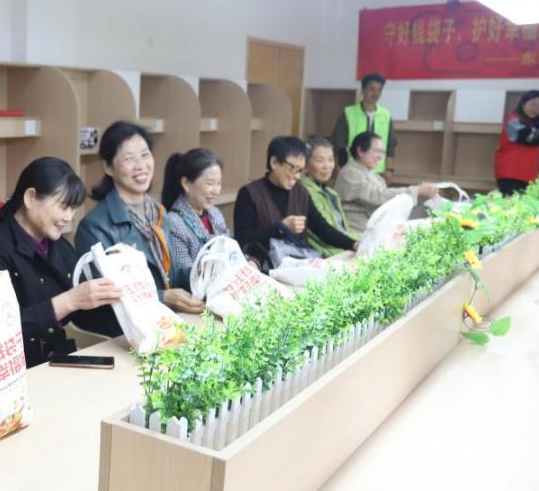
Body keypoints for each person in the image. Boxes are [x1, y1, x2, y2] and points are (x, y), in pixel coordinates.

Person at [0, 157, 123, 367]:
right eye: (63, 206)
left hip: (55, 361)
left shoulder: (59, 246)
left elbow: (84, 316)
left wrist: (115, 296)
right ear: (30, 198)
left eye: (73, 209)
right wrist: (69, 301)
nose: (69, 217)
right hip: (12, 369)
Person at [75, 122, 204, 336]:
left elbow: (171, 274)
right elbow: (107, 297)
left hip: (166, 324)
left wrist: (205, 272)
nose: (140, 165)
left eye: (145, 155)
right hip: (125, 335)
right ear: (108, 168)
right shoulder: (94, 226)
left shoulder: (158, 212)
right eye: (128, 158)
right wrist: (163, 297)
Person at [233, 136, 359, 269]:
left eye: (301, 171)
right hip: (261, 268)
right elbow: (244, 240)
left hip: (297, 267)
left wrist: (353, 244)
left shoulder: (301, 192)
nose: (298, 176)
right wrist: (280, 228)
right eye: (294, 169)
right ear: (274, 162)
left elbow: (322, 228)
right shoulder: (249, 193)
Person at [335, 132, 439, 231]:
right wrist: (416, 190)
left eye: (382, 152)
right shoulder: (350, 173)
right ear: (360, 151)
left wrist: (421, 194)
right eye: (376, 151)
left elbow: (388, 200)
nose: (380, 156)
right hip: (357, 231)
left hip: (375, 228)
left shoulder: (376, 177)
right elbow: (377, 196)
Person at [162, 148, 230, 279]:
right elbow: (186, 277)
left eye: (219, 183)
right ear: (186, 183)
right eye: (210, 183)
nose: (216, 190)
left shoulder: (216, 213)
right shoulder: (174, 223)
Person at [332, 72, 399, 182]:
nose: (376, 94)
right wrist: (339, 168)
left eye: (379, 90)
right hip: (352, 170)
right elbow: (339, 144)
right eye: (372, 89)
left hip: (378, 171)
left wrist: (389, 169)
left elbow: (390, 146)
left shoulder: (385, 115)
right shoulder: (348, 113)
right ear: (363, 90)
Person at [300, 136, 360, 257]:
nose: (327, 166)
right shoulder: (303, 192)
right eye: (320, 160)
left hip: (344, 247)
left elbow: (344, 230)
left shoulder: (332, 193)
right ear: (306, 163)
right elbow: (325, 232)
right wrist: (357, 243)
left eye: (330, 159)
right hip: (329, 253)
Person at [494, 90, 539, 196]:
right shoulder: (514, 121)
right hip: (511, 174)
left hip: (527, 174)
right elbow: (533, 139)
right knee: (511, 204)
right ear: (523, 103)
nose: (536, 109)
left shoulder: (533, 123)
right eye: (533, 104)